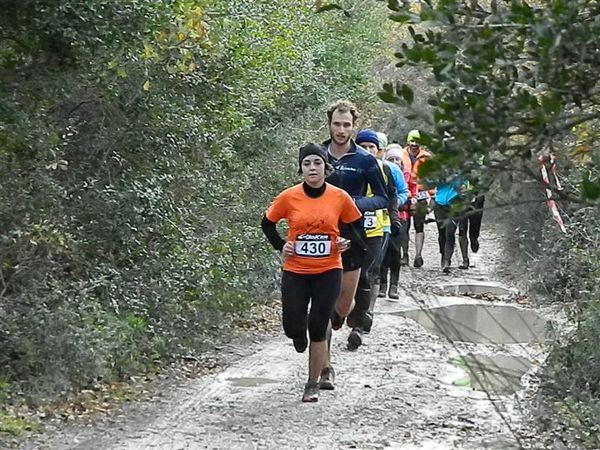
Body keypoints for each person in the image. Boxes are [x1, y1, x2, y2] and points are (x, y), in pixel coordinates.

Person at [261, 143, 362, 402]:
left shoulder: (339, 197)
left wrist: (346, 241)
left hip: (328, 270)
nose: (312, 168)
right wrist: (281, 245)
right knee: (293, 326)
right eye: (307, 164)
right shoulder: (288, 197)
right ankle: (297, 334)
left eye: (317, 163)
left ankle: (312, 383)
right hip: (296, 270)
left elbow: (354, 226)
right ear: (301, 169)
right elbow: (267, 223)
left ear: (326, 168)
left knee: (318, 325)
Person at [322, 101, 388, 376]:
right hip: (321, 236)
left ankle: (344, 313)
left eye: (346, 125)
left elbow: (383, 197)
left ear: (353, 126)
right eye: (337, 124)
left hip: (353, 237)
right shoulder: (318, 154)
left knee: (341, 306)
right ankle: (325, 368)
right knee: (322, 304)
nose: (341, 129)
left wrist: (356, 203)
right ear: (329, 124)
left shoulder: (365, 160)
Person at [346, 129, 400, 347]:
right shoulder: (350, 169)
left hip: (377, 228)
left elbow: (393, 195)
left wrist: (394, 217)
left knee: (371, 272)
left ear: (379, 151)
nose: (367, 151)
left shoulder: (384, 169)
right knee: (350, 273)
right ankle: (347, 311)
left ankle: (364, 317)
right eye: (363, 146)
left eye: (372, 147)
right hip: (350, 229)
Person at [380, 143, 416, 298]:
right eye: (391, 158)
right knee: (382, 251)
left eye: (397, 159)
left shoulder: (405, 174)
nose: (394, 161)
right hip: (381, 217)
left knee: (395, 252)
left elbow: (407, 192)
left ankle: (393, 286)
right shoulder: (381, 171)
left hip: (401, 217)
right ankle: (382, 284)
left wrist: (395, 204)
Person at [401, 130, 433, 268]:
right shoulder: (400, 155)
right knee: (404, 227)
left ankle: (418, 255)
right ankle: (405, 255)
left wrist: (432, 195)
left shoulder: (427, 157)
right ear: (408, 141)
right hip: (405, 195)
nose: (414, 144)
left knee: (419, 226)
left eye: (417, 141)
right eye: (412, 141)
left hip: (420, 195)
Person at [432, 176, 470, 273]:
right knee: (442, 233)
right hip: (439, 204)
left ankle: (447, 261)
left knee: (450, 232)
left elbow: (465, 183)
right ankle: (443, 254)